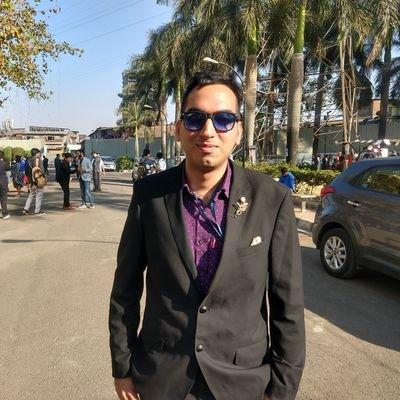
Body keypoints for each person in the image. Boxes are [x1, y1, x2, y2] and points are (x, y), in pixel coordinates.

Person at [109, 71, 305, 400]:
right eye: (195, 119)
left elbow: (288, 304)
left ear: (238, 131)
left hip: (241, 381)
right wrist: (122, 367)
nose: (208, 131)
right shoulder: (149, 195)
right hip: (162, 377)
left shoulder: (271, 199)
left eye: (224, 119)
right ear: (178, 129)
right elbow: (125, 290)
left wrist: (282, 389)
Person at [22, 148, 46, 216]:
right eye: (38, 153)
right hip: (38, 180)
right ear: (36, 153)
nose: (39, 154)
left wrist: (30, 179)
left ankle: (26, 209)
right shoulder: (38, 160)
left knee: (31, 195)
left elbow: (26, 171)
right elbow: (42, 170)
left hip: (31, 180)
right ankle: (37, 211)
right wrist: (44, 178)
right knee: (39, 195)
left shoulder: (28, 160)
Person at [0, 150, 10, 219]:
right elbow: (8, 168)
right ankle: (5, 214)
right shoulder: (4, 163)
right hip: (2, 183)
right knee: (3, 198)